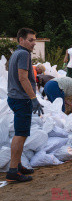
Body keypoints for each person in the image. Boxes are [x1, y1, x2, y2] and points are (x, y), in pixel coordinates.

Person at [5, 28, 42, 183]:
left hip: (15, 98)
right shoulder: (24, 54)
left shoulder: (16, 53)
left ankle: (18, 165)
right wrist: (33, 98)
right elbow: (23, 78)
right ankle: (13, 171)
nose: (33, 43)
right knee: (20, 134)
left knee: (22, 133)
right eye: (30, 40)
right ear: (21, 40)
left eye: (34, 40)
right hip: (21, 100)